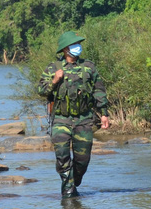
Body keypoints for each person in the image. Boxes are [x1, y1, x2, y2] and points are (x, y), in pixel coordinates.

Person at [37, 31, 110, 197]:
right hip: (61, 120)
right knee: (62, 157)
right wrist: (55, 80)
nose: (78, 47)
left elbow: (99, 90)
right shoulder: (53, 67)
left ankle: (73, 181)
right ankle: (68, 193)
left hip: (83, 119)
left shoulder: (89, 67)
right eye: (74, 45)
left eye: (78, 44)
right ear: (65, 49)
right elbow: (41, 90)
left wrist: (104, 113)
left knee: (82, 161)